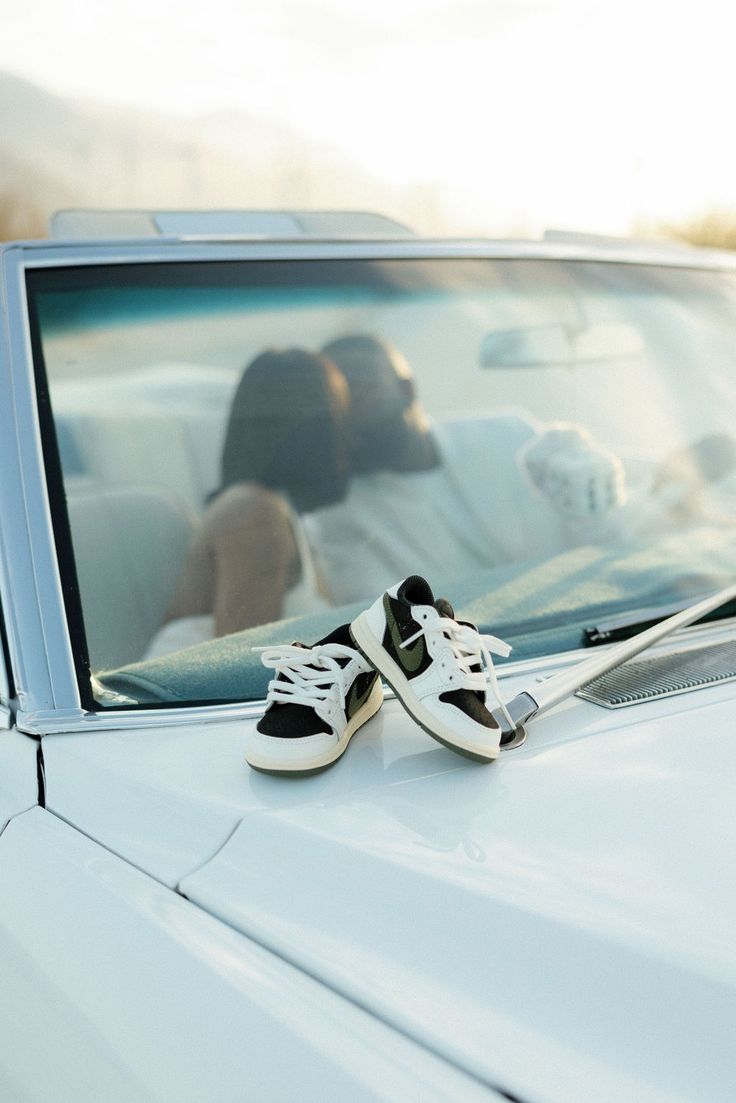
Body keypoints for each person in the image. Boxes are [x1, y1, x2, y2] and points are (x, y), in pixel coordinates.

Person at [303, 334, 626, 605]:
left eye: (357, 393)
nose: (344, 416)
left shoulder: (512, 437)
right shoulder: (336, 518)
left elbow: (613, 544)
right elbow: (393, 627)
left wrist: (596, 505)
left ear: (406, 391)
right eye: (331, 405)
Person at [145, 348, 350, 658]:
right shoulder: (254, 514)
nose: (352, 435)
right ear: (316, 426)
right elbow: (243, 667)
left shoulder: (279, 511)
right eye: (340, 413)